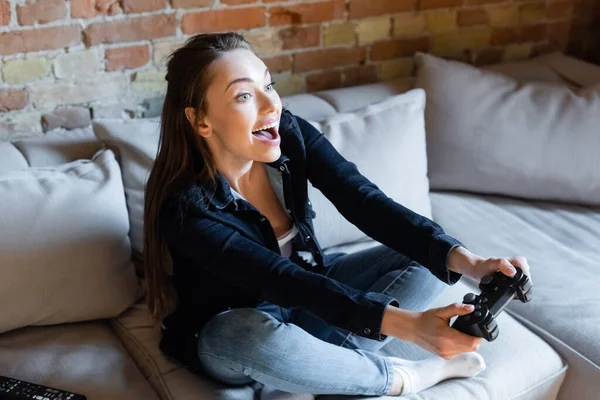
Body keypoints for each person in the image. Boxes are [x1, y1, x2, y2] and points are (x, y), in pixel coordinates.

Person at [142, 32, 533, 398]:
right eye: (244, 96)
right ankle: (395, 376)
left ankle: (304, 373)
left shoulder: (290, 134)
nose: (271, 105)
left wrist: (472, 263)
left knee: (426, 256)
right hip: (233, 326)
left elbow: (364, 201)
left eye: (268, 85)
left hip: (313, 293)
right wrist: (414, 329)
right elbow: (280, 279)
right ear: (201, 121)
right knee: (246, 335)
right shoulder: (183, 206)